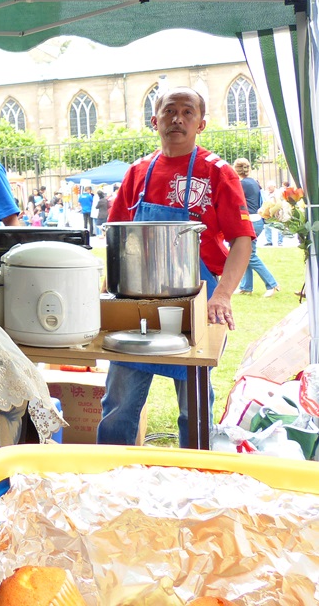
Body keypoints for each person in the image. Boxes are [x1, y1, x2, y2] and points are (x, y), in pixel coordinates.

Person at [96, 87, 253, 448]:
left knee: (194, 404)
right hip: (136, 301)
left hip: (197, 299)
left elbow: (242, 239)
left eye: (187, 112)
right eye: (169, 111)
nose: (177, 119)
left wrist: (224, 295)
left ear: (201, 123)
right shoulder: (138, 172)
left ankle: (197, 474)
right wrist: (106, 292)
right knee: (118, 403)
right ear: (155, 121)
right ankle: (109, 475)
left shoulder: (217, 172)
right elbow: (116, 236)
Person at [232, 158, 279, 297]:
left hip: (248, 222)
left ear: (236, 169)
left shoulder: (240, 184)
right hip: (257, 220)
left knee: (249, 255)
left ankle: (272, 284)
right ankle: (246, 287)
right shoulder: (254, 182)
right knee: (245, 254)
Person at [260, 182, 284, 246]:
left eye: (270, 187)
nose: (268, 188)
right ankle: (269, 241)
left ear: (274, 186)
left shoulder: (279, 193)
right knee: (267, 226)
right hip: (268, 212)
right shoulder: (266, 193)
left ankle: (280, 242)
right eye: (268, 187)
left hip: (278, 212)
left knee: (279, 226)